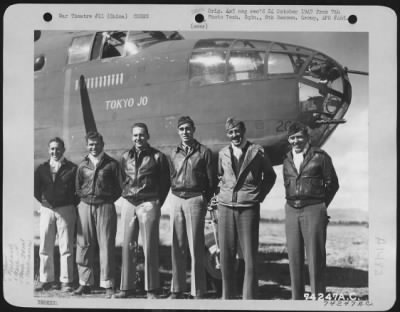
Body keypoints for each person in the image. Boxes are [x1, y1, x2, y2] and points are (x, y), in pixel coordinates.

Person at [217, 117, 276, 299]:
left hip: (248, 207)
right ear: (227, 134)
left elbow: (271, 176)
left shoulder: (257, 152)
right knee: (226, 255)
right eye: (231, 132)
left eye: (237, 131)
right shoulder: (223, 153)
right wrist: (221, 195)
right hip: (226, 207)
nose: (234, 135)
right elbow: (221, 176)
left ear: (243, 132)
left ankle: (249, 298)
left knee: (250, 255)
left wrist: (259, 195)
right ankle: (227, 297)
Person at [283, 122, 339, 300]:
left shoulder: (320, 156)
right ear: (289, 140)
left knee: (315, 258)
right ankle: (297, 300)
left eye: (299, 137)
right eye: (292, 138)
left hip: (314, 208)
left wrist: (320, 206)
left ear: (307, 137)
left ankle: (318, 299)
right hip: (291, 209)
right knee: (294, 257)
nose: (296, 141)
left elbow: (333, 184)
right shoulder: (286, 159)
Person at [114, 123, 170, 299]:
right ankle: (126, 288)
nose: (138, 138)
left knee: (149, 247)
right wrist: (127, 194)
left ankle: (152, 289)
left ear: (148, 136)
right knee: (128, 246)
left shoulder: (158, 157)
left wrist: (155, 201)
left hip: (149, 203)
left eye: (141, 135)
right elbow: (121, 179)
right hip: (130, 203)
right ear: (132, 137)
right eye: (135, 135)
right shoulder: (124, 157)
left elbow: (165, 182)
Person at [168, 116, 215, 299]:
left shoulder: (204, 152)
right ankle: (177, 289)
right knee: (177, 246)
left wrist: (204, 198)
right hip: (177, 198)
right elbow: (171, 175)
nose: (185, 132)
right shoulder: (174, 152)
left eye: (188, 128)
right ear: (178, 132)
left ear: (194, 129)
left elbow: (211, 181)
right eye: (181, 129)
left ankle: (198, 291)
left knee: (195, 245)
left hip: (195, 199)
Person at [73, 131, 122, 298]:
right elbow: (78, 187)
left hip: (105, 206)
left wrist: (105, 199)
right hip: (85, 206)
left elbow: (119, 188)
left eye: (96, 144)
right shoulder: (82, 165)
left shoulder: (112, 164)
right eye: (90, 144)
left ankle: (108, 284)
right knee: (83, 245)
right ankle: (84, 283)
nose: (93, 147)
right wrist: (87, 199)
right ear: (87, 146)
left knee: (106, 245)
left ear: (102, 144)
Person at [34, 137, 78, 292]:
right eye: (52, 149)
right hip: (47, 210)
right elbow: (36, 190)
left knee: (66, 246)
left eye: (58, 148)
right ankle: (46, 280)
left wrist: (67, 203)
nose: (55, 151)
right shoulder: (42, 169)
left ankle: (66, 281)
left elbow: (77, 191)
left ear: (63, 150)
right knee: (45, 246)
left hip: (66, 209)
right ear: (48, 150)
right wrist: (47, 203)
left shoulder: (72, 168)